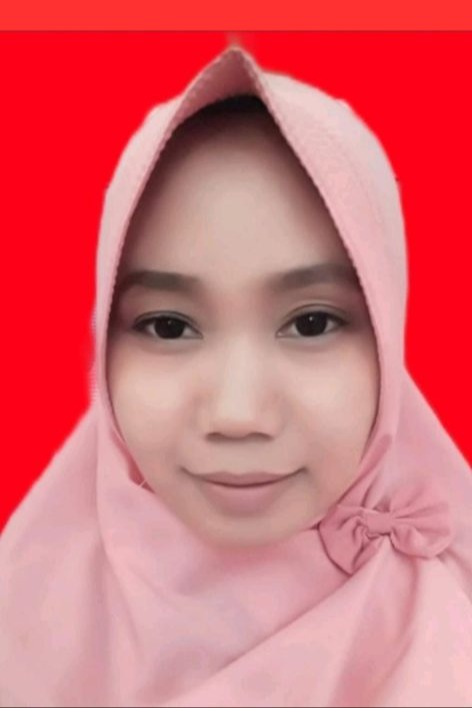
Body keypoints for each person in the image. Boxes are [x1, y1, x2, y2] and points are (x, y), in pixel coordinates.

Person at [1, 44, 471, 707]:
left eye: (312, 322)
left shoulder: (444, 631)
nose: (238, 412)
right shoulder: (23, 617)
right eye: (169, 326)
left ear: (388, 346)